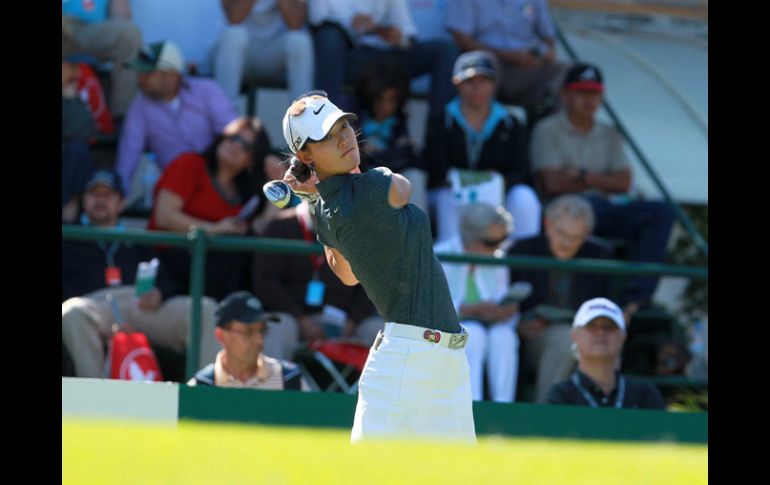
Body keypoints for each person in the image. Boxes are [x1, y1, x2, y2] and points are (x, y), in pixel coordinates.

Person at [281, 91, 475, 443]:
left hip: (439, 361)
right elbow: (403, 188)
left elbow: (346, 274)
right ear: (304, 155)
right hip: (409, 361)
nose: (343, 138)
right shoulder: (367, 185)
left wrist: (312, 195)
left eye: (343, 126)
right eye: (327, 135)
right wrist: (351, 177)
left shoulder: (325, 208)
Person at [530, 62, 676, 310]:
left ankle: (637, 297)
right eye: (581, 92)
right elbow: (552, 183)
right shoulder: (547, 129)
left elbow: (624, 182)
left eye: (594, 92)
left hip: (605, 208)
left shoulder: (609, 133)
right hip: (566, 210)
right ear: (565, 94)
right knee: (582, 207)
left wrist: (580, 175)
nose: (588, 99)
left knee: (661, 211)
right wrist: (602, 180)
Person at [62, 170, 219, 378]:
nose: (100, 200)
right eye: (94, 195)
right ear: (84, 200)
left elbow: (165, 282)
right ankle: (94, 401)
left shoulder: (138, 240)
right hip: (95, 307)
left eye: (107, 195)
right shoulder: (68, 239)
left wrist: (159, 293)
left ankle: (205, 398)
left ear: (121, 203)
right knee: (72, 312)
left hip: (142, 306)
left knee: (206, 309)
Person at [148, 116, 271, 301]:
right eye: (233, 137)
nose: (236, 146)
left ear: (251, 161)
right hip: (167, 264)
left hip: (214, 274)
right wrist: (215, 229)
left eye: (246, 147)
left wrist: (279, 184)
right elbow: (164, 216)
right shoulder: (190, 163)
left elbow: (261, 230)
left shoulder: (246, 193)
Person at [424, 50, 541, 243]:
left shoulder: (512, 123)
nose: (477, 88)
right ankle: (449, 261)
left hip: (498, 196)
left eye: (484, 81)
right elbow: (436, 170)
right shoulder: (440, 121)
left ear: (495, 84)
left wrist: (493, 184)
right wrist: (472, 183)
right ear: (457, 83)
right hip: (454, 195)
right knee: (446, 196)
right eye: (470, 82)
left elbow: (520, 171)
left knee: (524, 197)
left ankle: (522, 263)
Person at [508, 194, 614, 403]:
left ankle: (604, 422)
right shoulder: (521, 251)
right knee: (565, 340)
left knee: (605, 341)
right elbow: (507, 302)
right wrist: (520, 324)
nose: (567, 243)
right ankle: (546, 416)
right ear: (547, 225)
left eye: (576, 237)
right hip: (535, 338)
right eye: (562, 233)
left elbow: (606, 306)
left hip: (584, 332)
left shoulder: (599, 256)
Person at [253, 200, 382, 356]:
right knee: (278, 327)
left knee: (380, 332)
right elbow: (266, 282)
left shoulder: (358, 228)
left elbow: (371, 283)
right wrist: (300, 319)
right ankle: (278, 380)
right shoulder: (280, 224)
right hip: (295, 319)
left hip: (346, 322)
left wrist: (353, 321)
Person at [115, 40, 237, 198]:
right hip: (175, 188)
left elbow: (233, 134)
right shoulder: (140, 105)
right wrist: (118, 194)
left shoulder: (207, 90)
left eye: (147, 73)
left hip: (216, 181)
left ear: (170, 74)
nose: (140, 78)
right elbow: (128, 154)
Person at [307, 0, 458, 116]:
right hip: (350, 59)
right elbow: (317, 19)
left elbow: (407, 32)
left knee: (444, 50)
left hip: (387, 56)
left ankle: (441, 134)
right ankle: (326, 124)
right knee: (329, 37)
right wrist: (357, 25)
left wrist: (396, 36)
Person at [434, 203, 520, 403]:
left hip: (489, 328)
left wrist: (507, 311)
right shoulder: (439, 254)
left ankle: (504, 405)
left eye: (503, 240)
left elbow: (502, 301)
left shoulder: (499, 259)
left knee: (504, 336)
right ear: (469, 239)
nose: (499, 247)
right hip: (441, 333)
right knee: (474, 333)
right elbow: (430, 307)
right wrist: (468, 310)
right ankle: (472, 404)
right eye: (491, 242)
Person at [445, 0, 569, 126]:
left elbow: (548, 38)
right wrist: (509, 56)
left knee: (567, 72)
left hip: (528, 65)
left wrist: (545, 53)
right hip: (487, 62)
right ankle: (485, 129)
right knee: (485, 64)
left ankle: (541, 130)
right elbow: (461, 38)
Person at [545, 297, 666, 410]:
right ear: (574, 335)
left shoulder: (644, 394)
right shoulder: (561, 396)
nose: (601, 332)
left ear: (623, 336)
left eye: (609, 327)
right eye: (591, 326)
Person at [188, 291, 309, 390]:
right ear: (221, 335)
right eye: (248, 331)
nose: (259, 340)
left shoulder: (292, 381)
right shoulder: (199, 386)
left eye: (262, 330)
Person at [354, 60, 428, 214]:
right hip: (362, 182)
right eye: (379, 99)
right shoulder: (353, 119)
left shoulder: (400, 123)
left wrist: (376, 154)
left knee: (415, 176)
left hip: (394, 179)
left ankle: (418, 234)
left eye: (391, 100)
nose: (384, 106)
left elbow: (412, 161)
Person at [211, 0, 314, 108]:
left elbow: (295, 24)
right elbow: (234, 18)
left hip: (271, 57)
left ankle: (301, 117)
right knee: (234, 35)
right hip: (234, 56)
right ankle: (224, 117)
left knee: (300, 41)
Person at [62, 0, 142, 118]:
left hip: (90, 30)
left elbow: (122, 15)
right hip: (65, 22)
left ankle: (123, 118)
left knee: (129, 34)